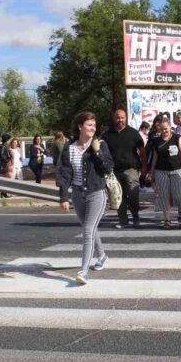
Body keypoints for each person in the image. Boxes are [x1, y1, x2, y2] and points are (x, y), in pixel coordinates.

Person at [57, 111, 114, 286]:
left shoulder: (100, 144)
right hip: (77, 194)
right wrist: (64, 197)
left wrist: (97, 152)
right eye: (89, 125)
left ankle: (83, 271)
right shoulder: (69, 147)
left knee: (88, 230)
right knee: (89, 228)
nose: (92, 128)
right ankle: (102, 255)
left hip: (97, 193)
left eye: (94, 125)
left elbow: (108, 168)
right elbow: (64, 174)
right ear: (80, 126)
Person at [102, 109, 145, 228]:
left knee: (133, 194)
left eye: (122, 117)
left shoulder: (133, 133)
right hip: (114, 171)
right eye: (118, 117)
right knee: (118, 196)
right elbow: (102, 153)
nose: (120, 120)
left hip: (131, 169)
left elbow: (142, 150)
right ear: (113, 118)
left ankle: (136, 217)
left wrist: (144, 167)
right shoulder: (107, 135)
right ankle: (123, 221)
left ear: (126, 118)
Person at [149, 117, 181, 229]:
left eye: (166, 128)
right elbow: (155, 158)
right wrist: (152, 173)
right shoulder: (156, 141)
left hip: (176, 170)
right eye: (162, 129)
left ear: (170, 127)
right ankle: (167, 219)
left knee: (177, 195)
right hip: (161, 171)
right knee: (164, 195)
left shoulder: (177, 138)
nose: (164, 131)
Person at [0, 133, 12, 198]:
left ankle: (4, 193)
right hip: (3, 164)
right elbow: (2, 155)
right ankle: (3, 193)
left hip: (3, 163)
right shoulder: (3, 146)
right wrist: (7, 160)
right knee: (4, 178)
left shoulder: (3, 146)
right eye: (9, 139)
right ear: (7, 139)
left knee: (5, 178)